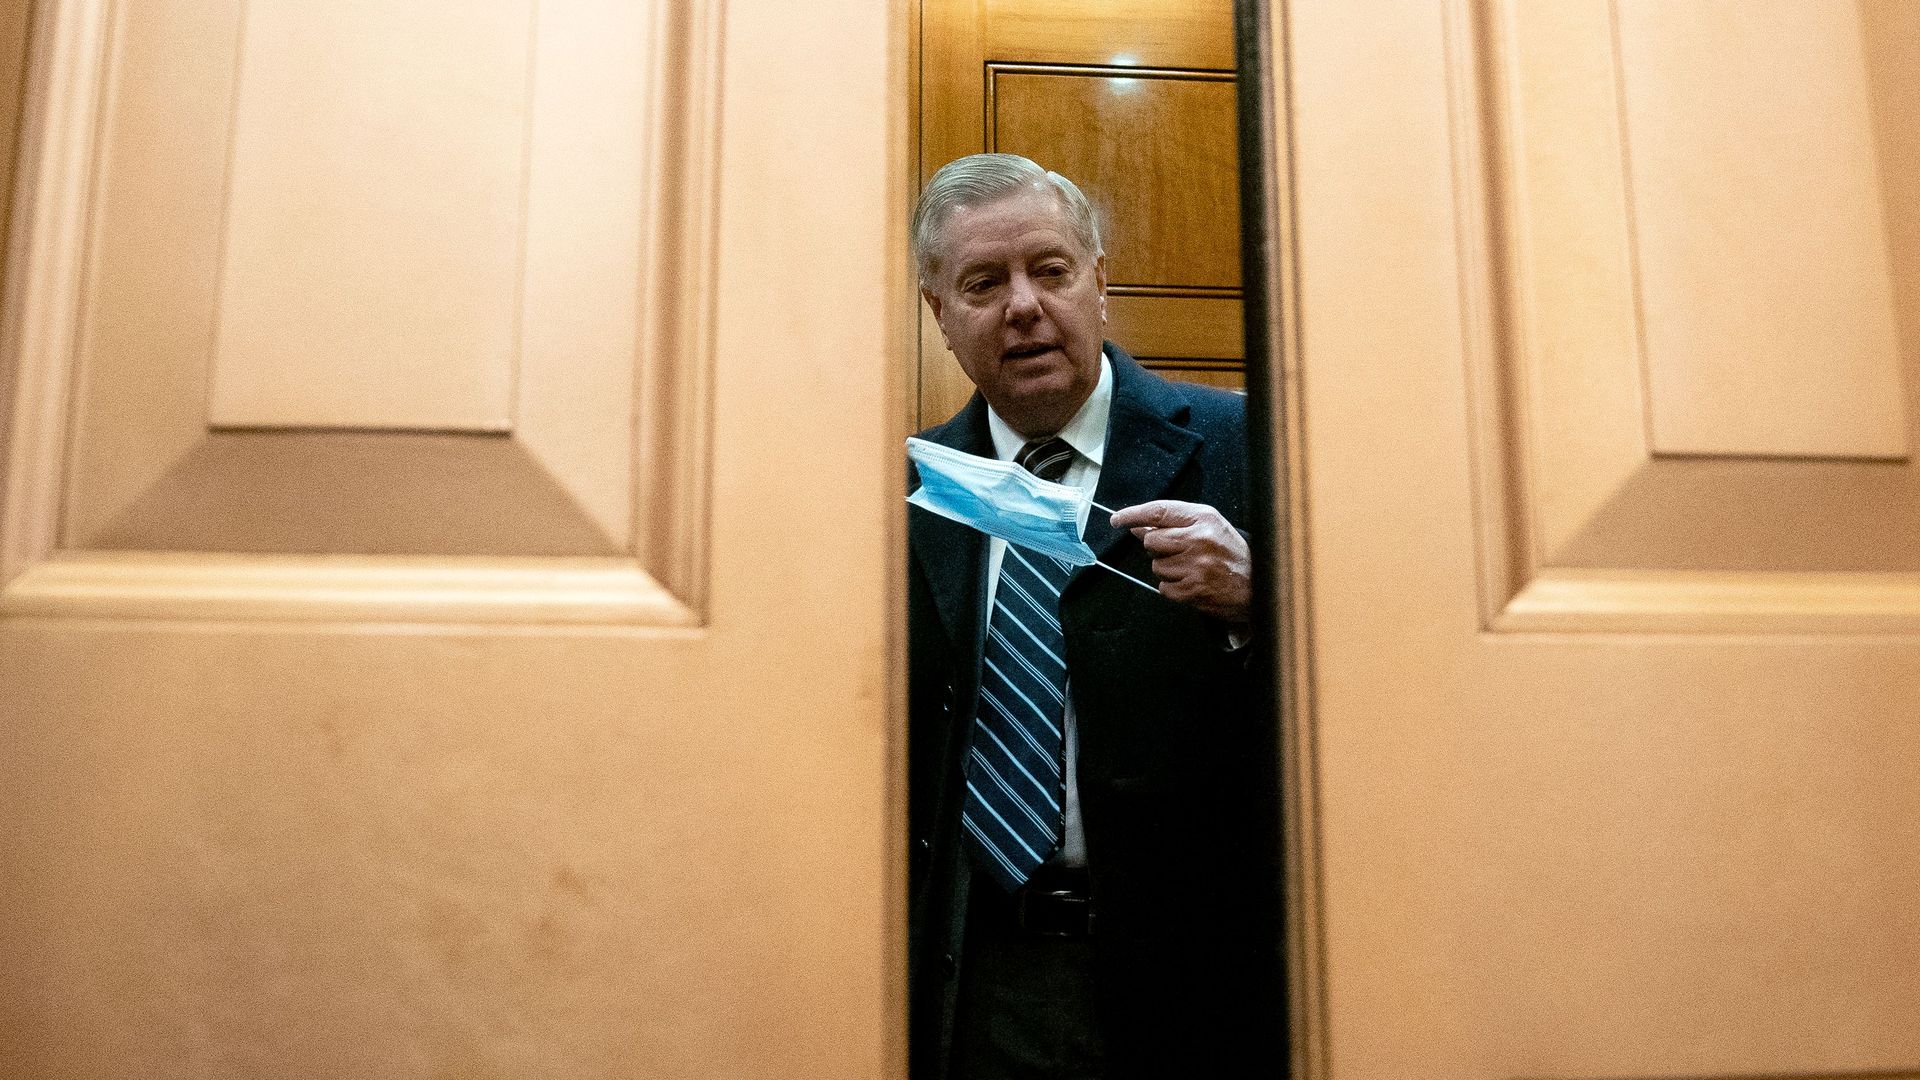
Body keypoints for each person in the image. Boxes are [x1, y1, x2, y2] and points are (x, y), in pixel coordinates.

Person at [907, 153, 1280, 1079]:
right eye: (983, 283)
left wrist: (1261, 597)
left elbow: (1389, 684)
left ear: (1099, 284)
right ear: (941, 316)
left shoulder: (1252, 445)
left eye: (1051, 269)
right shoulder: (910, 493)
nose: (1023, 306)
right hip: (973, 980)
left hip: (1199, 982)